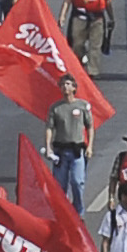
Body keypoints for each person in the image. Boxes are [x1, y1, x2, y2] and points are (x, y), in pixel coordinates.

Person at [47, 75, 95, 204]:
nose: (65, 87)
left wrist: (89, 146)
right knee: (59, 186)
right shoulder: (56, 107)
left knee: (77, 182)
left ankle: (78, 212)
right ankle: (63, 212)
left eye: (68, 84)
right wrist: (48, 148)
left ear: (74, 87)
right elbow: (50, 128)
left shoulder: (82, 106)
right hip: (60, 151)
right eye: (62, 85)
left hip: (77, 150)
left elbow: (90, 126)